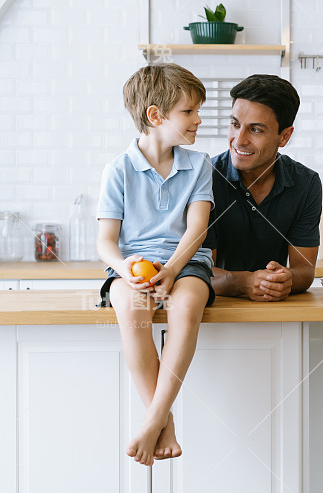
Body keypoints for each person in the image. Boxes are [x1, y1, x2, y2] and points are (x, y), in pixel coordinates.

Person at [97, 63, 214, 466]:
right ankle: (162, 422)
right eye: (190, 111)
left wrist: (174, 269)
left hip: (188, 261)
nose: (199, 119)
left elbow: (197, 228)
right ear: (155, 115)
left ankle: (153, 421)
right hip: (134, 268)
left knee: (186, 306)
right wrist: (125, 266)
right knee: (131, 308)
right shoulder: (118, 170)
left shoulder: (199, 165)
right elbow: (106, 243)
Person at [204, 74, 322, 301]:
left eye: (255, 130)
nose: (239, 140)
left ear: (284, 136)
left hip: (276, 312)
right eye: (235, 124)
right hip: (215, 312)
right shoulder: (205, 178)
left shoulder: (306, 184)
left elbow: (305, 271)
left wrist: (285, 279)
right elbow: (201, 272)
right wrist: (244, 282)